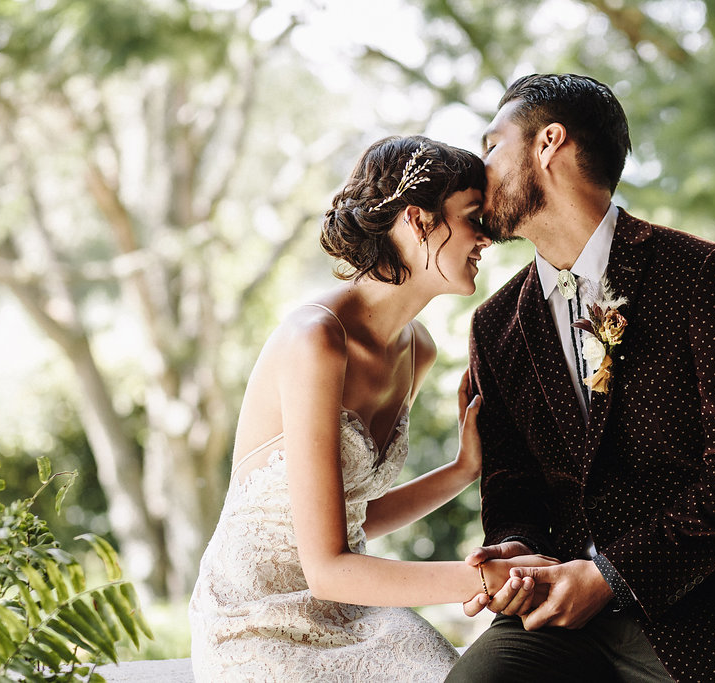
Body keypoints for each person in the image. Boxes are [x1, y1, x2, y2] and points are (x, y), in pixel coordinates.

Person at [447, 74, 715, 682]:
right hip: (564, 616)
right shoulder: (494, 324)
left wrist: (612, 576)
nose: (478, 171)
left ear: (549, 143)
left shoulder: (707, 277)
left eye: (493, 146)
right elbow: (512, 484)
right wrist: (515, 550)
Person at [188, 135, 555, 682]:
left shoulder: (418, 350)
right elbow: (328, 568)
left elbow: (352, 518)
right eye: (473, 216)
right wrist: (486, 579)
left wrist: (463, 470)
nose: (488, 236)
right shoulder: (316, 340)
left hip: (352, 608)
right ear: (419, 219)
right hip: (255, 616)